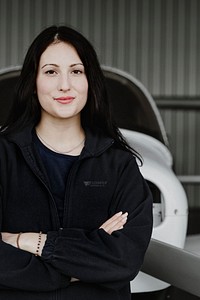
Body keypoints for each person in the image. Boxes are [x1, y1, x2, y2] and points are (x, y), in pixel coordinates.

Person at [0, 25, 153, 300]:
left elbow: (125, 259)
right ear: (33, 82)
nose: (65, 85)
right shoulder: (3, 156)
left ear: (90, 81)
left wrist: (32, 242)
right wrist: (84, 261)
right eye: (50, 71)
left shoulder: (119, 165)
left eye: (76, 71)